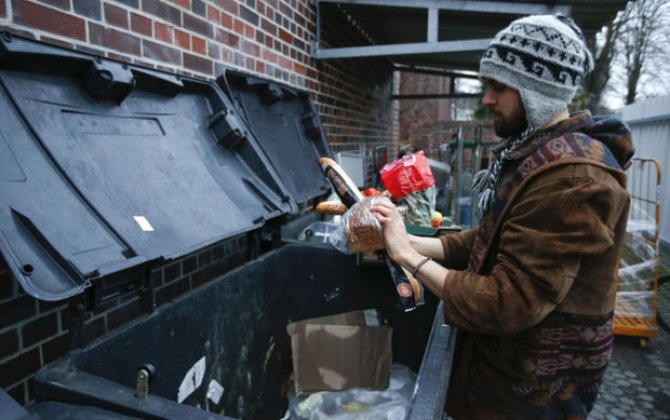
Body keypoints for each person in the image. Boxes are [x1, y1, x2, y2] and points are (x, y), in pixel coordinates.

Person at [372, 14, 634, 419]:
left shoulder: (573, 177)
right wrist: (405, 240)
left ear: (538, 92)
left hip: (533, 393)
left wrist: (410, 257)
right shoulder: (537, 152)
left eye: (499, 87)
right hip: (507, 367)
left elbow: (509, 301)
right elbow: (494, 237)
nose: (487, 99)